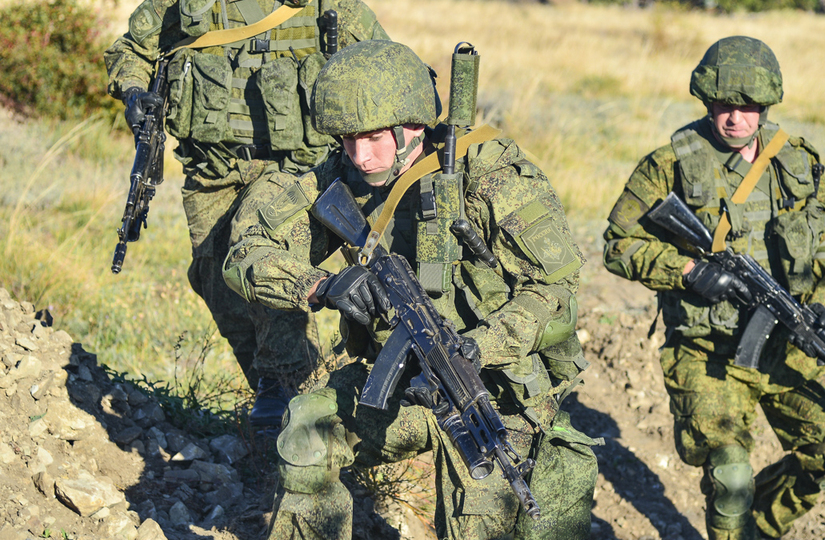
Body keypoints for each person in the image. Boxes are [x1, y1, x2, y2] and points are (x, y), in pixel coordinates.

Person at [222, 40, 599, 540]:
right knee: (306, 435)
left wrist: (477, 347)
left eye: (374, 137)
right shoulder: (343, 174)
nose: (359, 155)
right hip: (397, 385)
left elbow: (555, 291)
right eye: (347, 139)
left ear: (413, 126)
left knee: (483, 514)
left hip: (491, 391)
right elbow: (246, 247)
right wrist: (322, 284)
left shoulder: (489, 176)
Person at [602, 36, 825, 540]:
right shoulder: (670, 164)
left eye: (748, 108)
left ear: (766, 107)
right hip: (706, 351)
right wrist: (688, 273)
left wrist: (823, 305)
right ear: (707, 100)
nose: (735, 118)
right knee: (731, 476)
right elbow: (617, 243)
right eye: (725, 105)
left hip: (785, 342)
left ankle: (753, 529)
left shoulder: (797, 166)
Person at [103, 0, 389, 428]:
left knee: (259, 254)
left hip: (294, 170)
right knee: (213, 278)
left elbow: (383, 65)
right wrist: (133, 90)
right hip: (212, 169)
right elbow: (132, 50)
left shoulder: (326, 6)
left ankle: (286, 393)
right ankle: (296, 395)